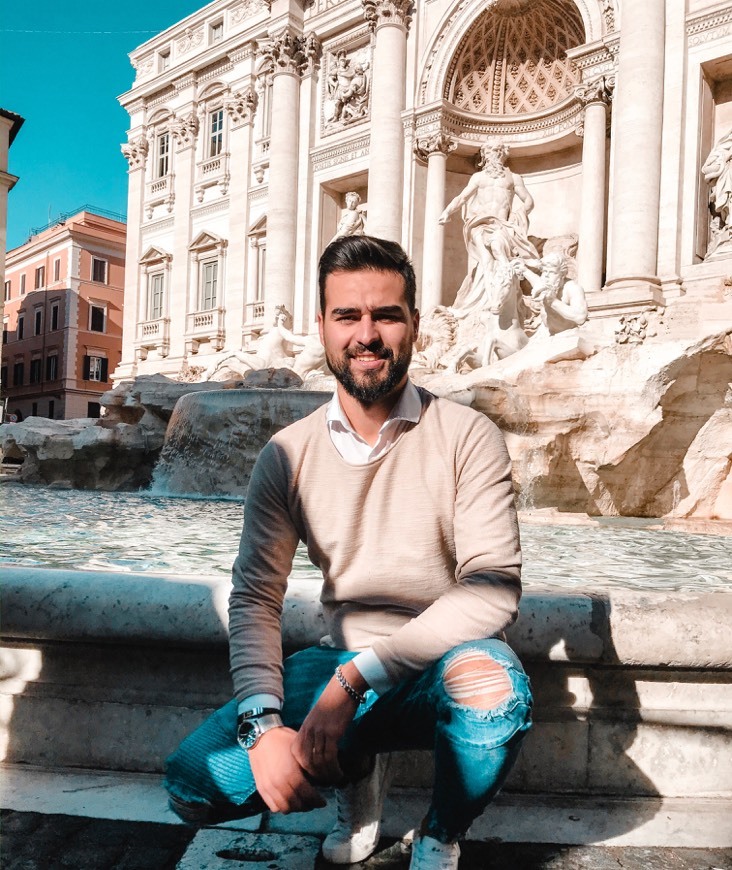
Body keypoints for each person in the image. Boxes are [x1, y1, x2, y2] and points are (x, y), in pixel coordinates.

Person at [164, 235, 533, 870]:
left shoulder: (470, 435)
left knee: (492, 687)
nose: (368, 334)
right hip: (338, 663)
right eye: (348, 316)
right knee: (192, 785)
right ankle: (355, 770)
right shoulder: (287, 452)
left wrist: (352, 682)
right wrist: (263, 727)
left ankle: (440, 833)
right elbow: (256, 596)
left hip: (438, 661)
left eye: (386, 315)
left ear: (414, 323)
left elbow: (492, 591)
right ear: (322, 328)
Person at [439, 141, 538, 317]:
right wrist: (447, 212)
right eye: (490, 151)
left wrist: (518, 216)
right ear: (484, 156)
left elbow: (529, 201)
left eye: (497, 151)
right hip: (480, 223)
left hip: (501, 224)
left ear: (503, 154)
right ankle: (489, 301)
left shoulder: (514, 178)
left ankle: (506, 297)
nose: (494, 154)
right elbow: (462, 197)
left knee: (499, 251)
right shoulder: (478, 178)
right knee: (486, 259)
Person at [518, 253, 588, 338]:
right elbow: (536, 281)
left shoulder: (573, 288)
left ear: (562, 274)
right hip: (546, 334)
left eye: (552, 272)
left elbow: (580, 317)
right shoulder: (546, 284)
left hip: (568, 336)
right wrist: (523, 269)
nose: (546, 276)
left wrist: (553, 301)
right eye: (544, 271)